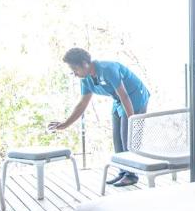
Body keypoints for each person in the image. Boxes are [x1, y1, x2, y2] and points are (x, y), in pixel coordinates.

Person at [48, 48, 151, 187]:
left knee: (127, 135)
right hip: (118, 100)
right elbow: (82, 104)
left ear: (85, 63)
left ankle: (132, 175)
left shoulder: (107, 68)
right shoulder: (86, 80)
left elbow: (125, 95)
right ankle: (123, 171)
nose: (74, 73)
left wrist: (132, 120)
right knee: (117, 138)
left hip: (134, 97)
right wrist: (65, 124)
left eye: (75, 69)